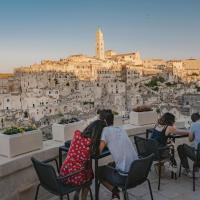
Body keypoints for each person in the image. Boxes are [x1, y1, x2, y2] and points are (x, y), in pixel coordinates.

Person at [60, 110, 107, 200]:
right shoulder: (91, 146)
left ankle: (77, 191)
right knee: (89, 176)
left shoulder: (77, 135)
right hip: (75, 176)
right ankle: (83, 198)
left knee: (84, 169)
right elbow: (97, 153)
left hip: (64, 173)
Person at [97, 110, 138, 200]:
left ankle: (116, 192)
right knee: (110, 165)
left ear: (103, 121)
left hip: (125, 177)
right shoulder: (121, 129)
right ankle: (120, 193)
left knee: (98, 172)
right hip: (137, 172)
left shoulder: (105, 131)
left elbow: (98, 151)